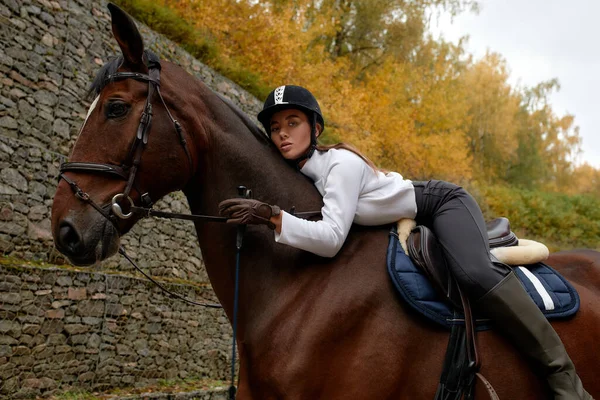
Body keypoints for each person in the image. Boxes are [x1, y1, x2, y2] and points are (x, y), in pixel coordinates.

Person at [218, 85, 592, 399]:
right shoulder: (307, 176)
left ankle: (564, 378)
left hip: (442, 203)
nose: (282, 133)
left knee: (474, 271)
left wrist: (273, 217)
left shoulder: (340, 165)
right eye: (275, 127)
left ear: (315, 128)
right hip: (409, 215)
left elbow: (331, 238)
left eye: (293, 123)